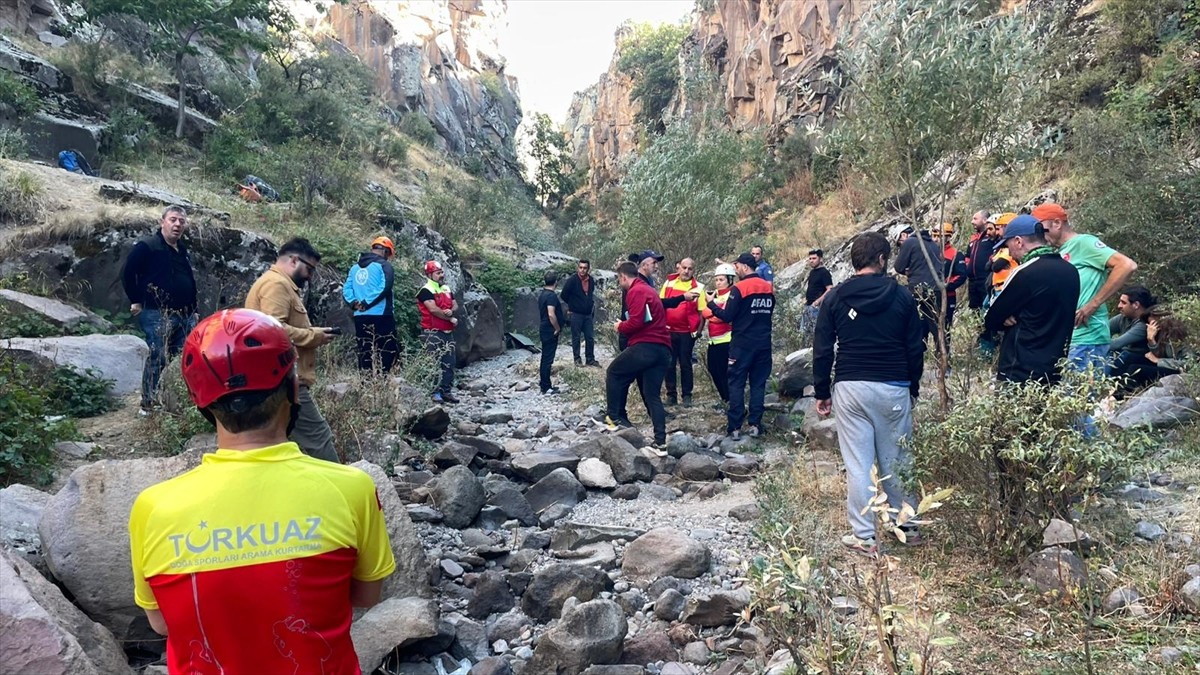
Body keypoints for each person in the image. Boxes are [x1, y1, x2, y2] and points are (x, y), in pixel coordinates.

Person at [129, 308, 395, 674]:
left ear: (202, 402)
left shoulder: (153, 507)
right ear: (292, 389)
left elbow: (161, 623)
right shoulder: (351, 488)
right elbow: (366, 596)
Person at [812, 231, 925, 555]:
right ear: (882, 259)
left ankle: (864, 537)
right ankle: (906, 526)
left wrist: (822, 390)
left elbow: (822, 347)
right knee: (897, 459)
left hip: (851, 386)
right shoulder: (902, 296)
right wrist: (912, 386)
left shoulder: (835, 297)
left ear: (854, 260)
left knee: (858, 464)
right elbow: (914, 346)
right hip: (893, 386)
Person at [244, 238, 340, 463]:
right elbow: (272, 329)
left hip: (276, 378)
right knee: (319, 438)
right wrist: (313, 336)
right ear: (294, 260)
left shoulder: (279, 283)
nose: (310, 276)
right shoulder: (276, 284)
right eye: (309, 269)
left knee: (277, 443)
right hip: (283, 379)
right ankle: (340, 492)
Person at [1036, 202, 1138, 373]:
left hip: (1089, 337)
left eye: (1042, 230)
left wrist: (1094, 303)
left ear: (1057, 223)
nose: (1039, 236)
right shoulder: (1059, 251)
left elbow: (1127, 265)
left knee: (1081, 395)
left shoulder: (1084, 243)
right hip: (1069, 337)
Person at [983, 215, 1080, 384]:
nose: (1010, 254)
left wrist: (1006, 316)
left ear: (1019, 241)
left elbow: (992, 318)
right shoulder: (1071, 271)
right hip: (1054, 367)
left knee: (1011, 410)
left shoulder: (1026, 272)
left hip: (1020, 368)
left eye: (1008, 245)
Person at [121, 205, 198, 416]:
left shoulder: (181, 249)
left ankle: (176, 402)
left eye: (181, 221)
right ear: (162, 222)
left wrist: (194, 309)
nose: (178, 225)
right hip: (157, 312)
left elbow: (188, 279)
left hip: (186, 314)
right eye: (173, 220)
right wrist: (136, 300)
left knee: (183, 358)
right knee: (158, 356)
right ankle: (149, 404)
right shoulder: (148, 246)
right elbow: (128, 273)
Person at [704, 252, 775, 439]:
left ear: (744, 266)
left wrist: (711, 304)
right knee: (758, 384)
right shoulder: (767, 287)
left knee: (736, 384)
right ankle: (755, 425)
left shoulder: (740, 288)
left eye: (737, 267)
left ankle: (734, 428)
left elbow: (727, 316)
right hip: (764, 343)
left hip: (742, 344)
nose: (736, 271)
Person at [605, 261, 671, 446]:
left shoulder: (636, 291)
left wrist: (620, 326)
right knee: (652, 395)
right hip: (663, 349)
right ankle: (660, 442)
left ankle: (613, 418)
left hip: (646, 345)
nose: (620, 284)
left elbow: (636, 322)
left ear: (623, 277)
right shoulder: (649, 289)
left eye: (619, 280)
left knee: (613, 372)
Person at [342, 236, 398, 372]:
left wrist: (354, 303)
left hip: (359, 316)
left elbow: (346, 288)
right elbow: (385, 286)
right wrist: (366, 303)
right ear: (385, 251)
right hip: (381, 315)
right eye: (388, 254)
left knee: (364, 350)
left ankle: (365, 383)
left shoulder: (354, 268)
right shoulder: (384, 266)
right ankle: (384, 382)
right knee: (387, 350)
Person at [660, 257, 707, 407]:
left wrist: (698, 332)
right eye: (684, 268)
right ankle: (671, 395)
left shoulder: (699, 287)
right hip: (668, 331)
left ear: (694, 270)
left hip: (687, 333)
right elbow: (660, 305)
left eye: (690, 269)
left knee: (685, 364)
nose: (686, 271)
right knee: (669, 363)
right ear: (678, 268)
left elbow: (702, 313)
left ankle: (687, 395)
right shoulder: (669, 283)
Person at [894, 224, 945, 345]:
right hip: (937, 288)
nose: (901, 246)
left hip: (919, 289)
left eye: (899, 243)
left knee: (915, 324)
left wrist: (908, 271)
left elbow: (898, 266)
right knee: (937, 326)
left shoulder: (909, 242)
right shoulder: (932, 243)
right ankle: (943, 358)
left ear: (903, 235)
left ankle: (918, 353)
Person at [417, 260, 459, 404]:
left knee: (449, 363)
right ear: (430, 274)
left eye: (441, 272)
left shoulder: (446, 288)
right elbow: (433, 309)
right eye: (438, 273)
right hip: (432, 332)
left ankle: (446, 391)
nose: (441, 275)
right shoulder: (425, 290)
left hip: (447, 332)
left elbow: (455, 304)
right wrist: (450, 318)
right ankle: (434, 392)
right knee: (433, 363)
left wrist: (451, 311)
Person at [1107, 285, 1156, 384]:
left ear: (1136, 305)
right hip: (1125, 357)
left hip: (1139, 360)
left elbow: (1116, 344)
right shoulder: (1123, 317)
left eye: (1123, 302)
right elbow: (1102, 330)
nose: (1119, 306)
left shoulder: (1143, 325)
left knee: (1123, 356)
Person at [704, 264, 736, 407]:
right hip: (713, 341)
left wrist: (713, 312)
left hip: (727, 340)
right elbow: (705, 313)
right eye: (716, 280)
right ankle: (725, 399)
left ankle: (731, 400)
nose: (718, 283)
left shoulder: (732, 294)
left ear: (729, 280)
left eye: (721, 280)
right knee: (714, 370)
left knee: (725, 373)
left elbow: (724, 317)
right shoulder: (714, 295)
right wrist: (714, 312)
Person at [560, 259, 599, 367]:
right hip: (576, 313)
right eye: (580, 267)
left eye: (584, 268)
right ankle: (577, 359)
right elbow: (564, 295)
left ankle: (590, 359)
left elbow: (590, 293)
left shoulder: (591, 280)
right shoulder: (572, 280)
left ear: (588, 269)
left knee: (590, 337)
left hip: (587, 314)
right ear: (578, 268)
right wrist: (573, 304)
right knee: (576, 337)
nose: (582, 270)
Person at [537, 270, 564, 394]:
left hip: (544, 328)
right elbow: (551, 314)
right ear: (556, 282)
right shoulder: (551, 296)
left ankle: (544, 383)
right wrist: (557, 328)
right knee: (548, 359)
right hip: (549, 329)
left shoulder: (542, 294)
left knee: (545, 358)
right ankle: (546, 387)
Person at [966, 213, 998, 310]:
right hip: (972, 282)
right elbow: (967, 256)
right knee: (974, 310)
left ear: (984, 220)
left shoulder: (992, 236)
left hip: (985, 279)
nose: (972, 222)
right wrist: (967, 267)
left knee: (987, 308)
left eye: (975, 219)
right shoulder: (973, 238)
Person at [939, 223, 968, 328]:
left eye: (940, 236)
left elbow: (961, 275)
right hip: (932, 296)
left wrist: (946, 286)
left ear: (947, 237)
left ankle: (945, 345)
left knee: (945, 327)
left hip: (948, 296)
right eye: (935, 236)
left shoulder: (955, 254)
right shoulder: (930, 252)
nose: (937, 239)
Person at [800, 248, 833, 336]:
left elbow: (830, 289)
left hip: (817, 308)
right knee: (804, 333)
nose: (811, 261)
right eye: (810, 258)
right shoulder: (812, 272)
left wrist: (818, 301)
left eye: (814, 258)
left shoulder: (824, 273)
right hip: (808, 306)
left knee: (816, 334)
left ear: (820, 259)